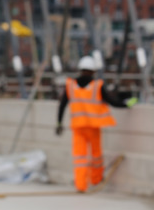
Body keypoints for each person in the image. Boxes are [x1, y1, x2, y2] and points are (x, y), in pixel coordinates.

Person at [56, 55, 135, 192]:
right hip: (93, 127)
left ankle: (81, 185)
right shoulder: (97, 85)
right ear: (93, 71)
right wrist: (126, 104)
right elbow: (111, 101)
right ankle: (96, 180)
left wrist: (59, 123)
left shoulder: (70, 85)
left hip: (78, 127)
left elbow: (62, 105)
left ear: (80, 69)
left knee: (80, 157)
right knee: (96, 156)